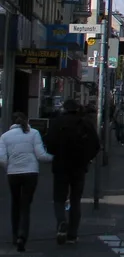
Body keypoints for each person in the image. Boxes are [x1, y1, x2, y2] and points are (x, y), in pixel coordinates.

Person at [45, 99, 100, 245]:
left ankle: (61, 221)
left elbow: (49, 144)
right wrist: (86, 158)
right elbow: (95, 145)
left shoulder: (57, 123)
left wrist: (56, 154)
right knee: (76, 200)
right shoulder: (85, 123)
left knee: (59, 198)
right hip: (79, 167)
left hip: (60, 166)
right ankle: (72, 234)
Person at [0, 113, 53, 251]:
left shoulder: (4, 137)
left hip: (13, 174)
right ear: (26, 120)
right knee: (25, 205)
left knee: (15, 203)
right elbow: (41, 155)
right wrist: (53, 158)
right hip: (31, 173)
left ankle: (14, 235)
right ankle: (22, 236)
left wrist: (9, 168)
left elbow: (2, 159)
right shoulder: (34, 133)